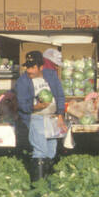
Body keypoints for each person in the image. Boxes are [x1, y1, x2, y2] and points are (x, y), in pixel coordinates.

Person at [14, 50, 64, 182]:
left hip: (52, 118)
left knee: (51, 151)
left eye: (32, 67)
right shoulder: (22, 81)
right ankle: (38, 185)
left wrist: (60, 115)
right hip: (37, 117)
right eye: (27, 67)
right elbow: (21, 105)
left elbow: (59, 95)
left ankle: (48, 182)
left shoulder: (51, 75)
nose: (29, 70)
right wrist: (35, 107)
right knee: (40, 150)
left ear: (41, 67)